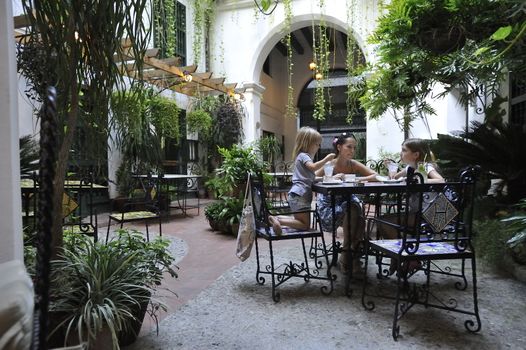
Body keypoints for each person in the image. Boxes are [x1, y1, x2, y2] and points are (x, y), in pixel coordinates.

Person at [378, 138, 445, 275]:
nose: (401, 153)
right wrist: (391, 168)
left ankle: (404, 256)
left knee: (383, 222)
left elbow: (440, 180)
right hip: (420, 214)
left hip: (434, 215)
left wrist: (419, 179)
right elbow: (395, 179)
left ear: (416, 154)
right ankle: (401, 256)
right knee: (382, 221)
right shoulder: (411, 168)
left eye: (404, 150)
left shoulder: (424, 167)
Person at [315, 132, 378, 276]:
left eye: (354, 148)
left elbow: (374, 175)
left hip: (348, 200)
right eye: (349, 147)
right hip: (329, 202)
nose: (352, 151)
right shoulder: (330, 164)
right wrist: (330, 177)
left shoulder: (352, 164)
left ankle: (347, 254)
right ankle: (352, 257)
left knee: (356, 211)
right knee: (355, 211)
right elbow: (312, 178)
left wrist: (357, 179)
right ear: (339, 147)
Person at [268, 127, 335, 234]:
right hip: (301, 195)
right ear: (307, 143)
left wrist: (327, 178)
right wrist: (326, 159)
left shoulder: (301, 156)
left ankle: (276, 218)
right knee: (304, 225)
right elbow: (313, 167)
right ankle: (279, 220)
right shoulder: (304, 156)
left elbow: (310, 178)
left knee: (300, 222)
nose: (318, 147)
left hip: (297, 195)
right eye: (317, 144)